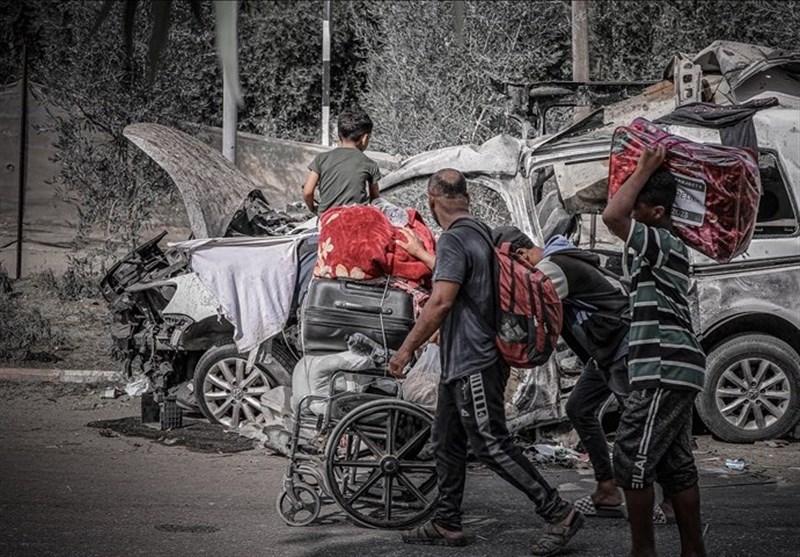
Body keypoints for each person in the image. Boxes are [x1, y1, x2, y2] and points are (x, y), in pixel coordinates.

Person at [388, 169, 583, 555]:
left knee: (490, 441)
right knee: (446, 438)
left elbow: (441, 300)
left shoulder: (455, 240)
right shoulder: (479, 230)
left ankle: (558, 512)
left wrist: (407, 348)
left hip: (475, 359)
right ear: (467, 197)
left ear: (430, 200)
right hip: (463, 358)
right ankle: (446, 521)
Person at [602, 145, 706, 557]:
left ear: (658, 213)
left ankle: (642, 552)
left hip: (664, 367)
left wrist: (644, 168)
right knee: (674, 465)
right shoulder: (663, 245)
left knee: (630, 458)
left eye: (639, 209)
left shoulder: (661, 241)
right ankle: (692, 551)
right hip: (672, 367)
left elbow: (613, 216)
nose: (633, 215)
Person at [491, 225, 632, 518]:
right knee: (580, 407)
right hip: (605, 350)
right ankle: (606, 488)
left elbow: (526, 306)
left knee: (638, 422)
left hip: (622, 347)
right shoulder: (556, 260)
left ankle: (664, 499)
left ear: (520, 256)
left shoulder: (551, 267)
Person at [302, 109, 381, 215]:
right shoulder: (370, 164)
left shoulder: (321, 158)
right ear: (365, 138)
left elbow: (307, 192)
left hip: (328, 221)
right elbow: (375, 200)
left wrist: (313, 209)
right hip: (358, 221)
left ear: (339, 135)